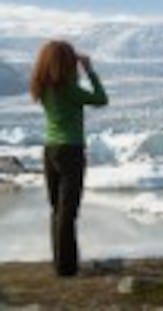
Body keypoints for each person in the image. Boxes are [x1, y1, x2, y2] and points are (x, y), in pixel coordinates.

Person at [30, 40, 108, 277]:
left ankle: (61, 264)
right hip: (71, 151)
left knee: (57, 209)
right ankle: (67, 268)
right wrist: (90, 71)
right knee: (68, 211)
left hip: (50, 150)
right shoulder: (70, 89)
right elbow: (101, 99)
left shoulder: (41, 86)